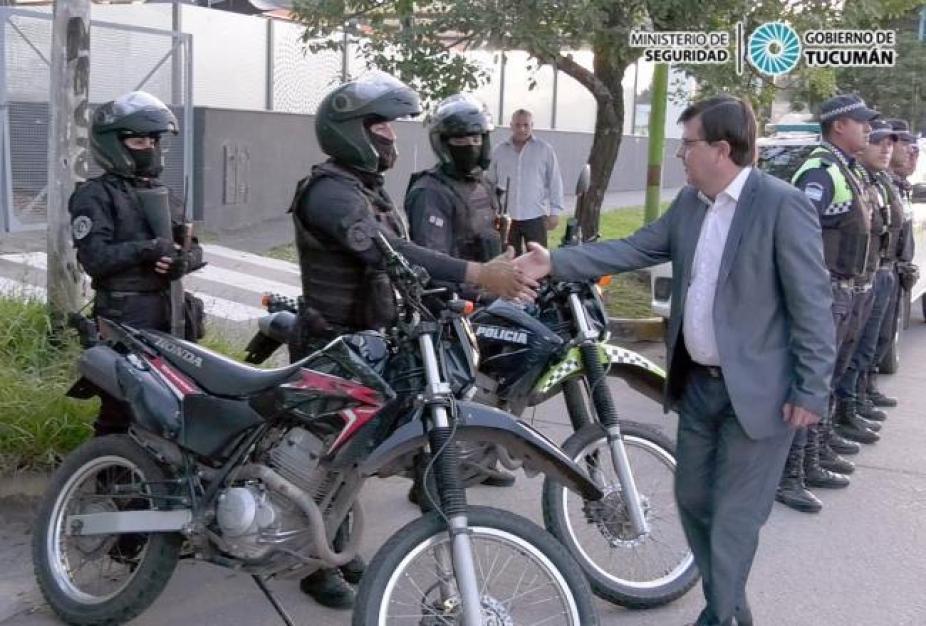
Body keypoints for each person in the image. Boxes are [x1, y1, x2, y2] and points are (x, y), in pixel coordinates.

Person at [514, 95, 836, 626]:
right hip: (699, 387)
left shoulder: (781, 205)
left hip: (760, 394)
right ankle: (731, 610)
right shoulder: (691, 204)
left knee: (734, 518)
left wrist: (811, 389)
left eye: (688, 144)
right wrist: (555, 261)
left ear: (721, 149)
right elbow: (634, 248)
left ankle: (719, 616)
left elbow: (813, 305)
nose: (680, 154)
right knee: (693, 504)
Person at [288, 74, 536, 609]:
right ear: (349, 130)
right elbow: (388, 250)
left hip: (370, 341)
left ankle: (333, 545)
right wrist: (476, 273)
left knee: (354, 458)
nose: (390, 136)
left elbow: (400, 271)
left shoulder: (364, 188)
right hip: (333, 345)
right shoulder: (329, 193)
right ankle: (314, 565)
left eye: (391, 127)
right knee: (328, 457)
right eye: (379, 126)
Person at [69, 91, 203, 437]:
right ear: (115, 144)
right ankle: (106, 468)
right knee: (121, 407)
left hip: (170, 314)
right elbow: (95, 259)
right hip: (124, 316)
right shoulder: (95, 195)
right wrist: (148, 249)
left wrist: (182, 262)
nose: (150, 149)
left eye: (154, 141)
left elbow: (194, 248)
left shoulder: (163, 194)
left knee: (170, 405)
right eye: (139, 141)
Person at [405, 93, 517, 494]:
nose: (470, 145)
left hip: (488, 301)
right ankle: (429, 482)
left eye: (476, 138)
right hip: (448, 307)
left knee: (491, 388)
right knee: (448, 396)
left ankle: (480, 462)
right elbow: (432, 262)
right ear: (443, 143)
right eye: (460, 139)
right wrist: (476, 288)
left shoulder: (484, 185)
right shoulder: (430, 191)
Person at [778, 95, 882, 512]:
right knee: (811, 381)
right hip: (826, 293)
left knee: (832, 376)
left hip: (847, 290)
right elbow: (798, 236)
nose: (869, 129)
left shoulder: (845, 169)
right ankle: (789, 475)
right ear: (839, 125)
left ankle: (812, 457)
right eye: (862, 122)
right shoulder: (820, 172)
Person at [833, 121, 901, 438]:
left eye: (890, 143)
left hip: (871, 274)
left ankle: (852, 405)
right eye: (879, 141)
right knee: (835, 364)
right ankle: (838, 419)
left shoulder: (873, 180)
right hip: (842, 283)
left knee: (862, 349)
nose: (886, 148)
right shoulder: (832, 173)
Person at [868, 119, 921, 407]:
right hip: (873, 271)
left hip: (892, 271)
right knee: (860, 344)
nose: (910, 151)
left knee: (880, 340)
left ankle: (864, 393)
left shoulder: (897, 184)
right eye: (903, 143)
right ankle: (850, 404)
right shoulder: (876, 181)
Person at [487, 108, 564, 254]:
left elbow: (555, 182)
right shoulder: (499, 151)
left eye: (526, 125)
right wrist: (490, 211)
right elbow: (489, 183)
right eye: (518, 125)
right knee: (508, 260)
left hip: (535, 216)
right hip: (507, 219)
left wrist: (555, 212)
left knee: (537, 260)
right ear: (511, 126)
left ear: (532, 126)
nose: (522, 129)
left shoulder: (545, 150)